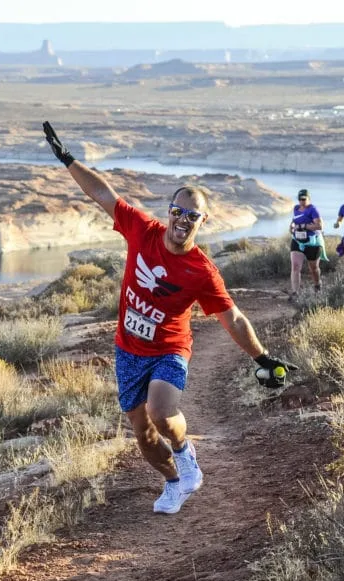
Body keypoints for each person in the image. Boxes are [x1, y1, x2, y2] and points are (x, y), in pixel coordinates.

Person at [42, 122, 296, 515]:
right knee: (142, 435)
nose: (183, 219)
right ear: (170, 212)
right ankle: (175, 482)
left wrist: (262, 358)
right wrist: (68, 160)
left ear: (202, 221)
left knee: (161, 412)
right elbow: (101, 193)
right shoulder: (142, 230)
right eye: (178, 211)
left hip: (169, 351)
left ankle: (186, 452)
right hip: (128, 350)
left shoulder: (201, 271)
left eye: (192, 215)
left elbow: (232, 317)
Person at [288, 189, 327, 297]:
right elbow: (294, 221)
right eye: (300, 199)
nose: (302, 201)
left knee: (313, 269)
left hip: (312, 242)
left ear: (309, 199)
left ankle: (317, 285)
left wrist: (303, 226)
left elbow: (319, 226)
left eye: (304, 199)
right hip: (297, 241)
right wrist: (291, 227)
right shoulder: (296, 208)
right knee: (295, 267)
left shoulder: (313, 209)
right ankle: (295, 293)